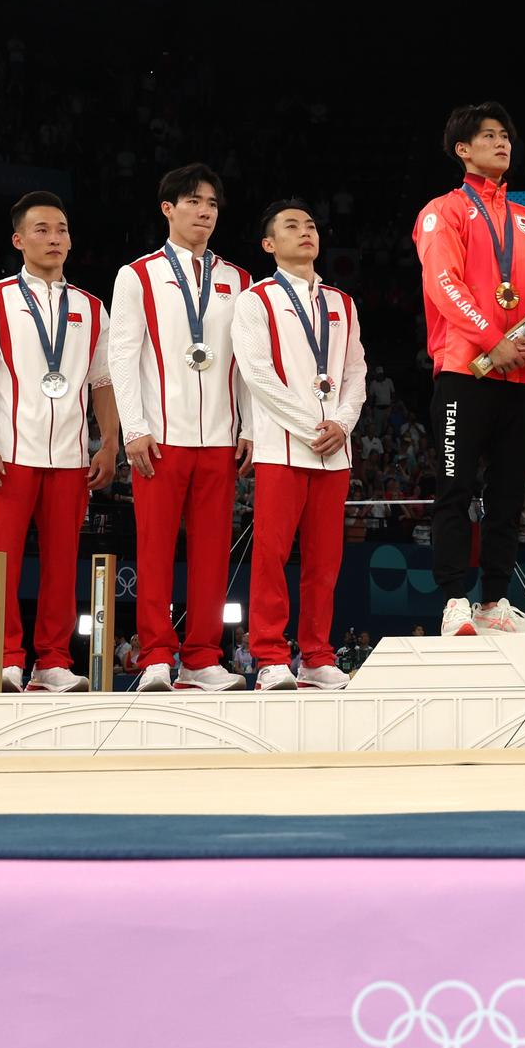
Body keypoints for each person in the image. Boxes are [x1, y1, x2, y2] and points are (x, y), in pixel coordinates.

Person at [0, 191, 119, 692]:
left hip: (70, 459)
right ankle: (6, 657)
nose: (54, 239)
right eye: (43, 230)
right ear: (19, 239)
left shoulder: (92, 307)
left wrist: (109, 442)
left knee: (61, 563)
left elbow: (103, 382)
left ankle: (52, 660)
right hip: (8, 454)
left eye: (62, 230)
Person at [108, 163, 255, 692]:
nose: (204, 211)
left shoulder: (239, 280)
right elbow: (122, 356)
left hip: (218, 436)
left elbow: (247, 361)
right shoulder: (138, 274)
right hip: (160, 438)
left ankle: (201, 658)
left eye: (212, 203)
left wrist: (250, 426)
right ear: (167, 208)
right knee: (154, 547)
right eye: (193, 202)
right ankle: (154, 656)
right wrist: (133, 429)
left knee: (214, 552)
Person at [414, 103, 525, 639]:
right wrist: (494, 342)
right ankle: (454, 603)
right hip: (463, 371)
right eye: (488, 135)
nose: (502, 143)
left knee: (508, 497)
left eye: (505, 135)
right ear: (462, 150)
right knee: (455, 489)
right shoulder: (441, 212)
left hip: (518, 378)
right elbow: (444, 283)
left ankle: (494, 602)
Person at [230, 200, 366, 689]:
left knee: (325, 559)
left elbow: (355, 374)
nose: (305, 231)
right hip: (282, 446)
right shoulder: (255, 300)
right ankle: (268, 655)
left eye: (310, 224)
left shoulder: (342, 303)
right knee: (271, 554)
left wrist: (343, 424)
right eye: (291, 226)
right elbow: (258, 375)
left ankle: (316, 655)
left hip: (335, 449)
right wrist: (316, 426)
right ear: (269, 244)